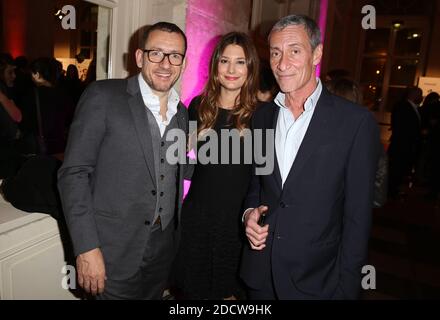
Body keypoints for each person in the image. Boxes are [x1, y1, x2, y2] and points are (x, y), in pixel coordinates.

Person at [240, 15, 380, 299]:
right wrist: (248, 216)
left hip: (318, 280)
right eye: (276, 52)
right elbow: (258, 185)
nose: (282, 63)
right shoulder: (262, 115)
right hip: (261, 275)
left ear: (317, 53)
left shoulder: (355, 122)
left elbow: (357, 218)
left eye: (294, 50)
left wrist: (346, 290)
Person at [57, 22, 190, 300]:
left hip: (162, 249)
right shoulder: (103, 96)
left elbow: (171, 169)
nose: (166, 63)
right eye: (157, 53)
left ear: (183, 62)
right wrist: (86, 248)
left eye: (175, 55)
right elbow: (74, 173)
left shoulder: (182, 113)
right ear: (140, 57)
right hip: (110, 250)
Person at [174, 32, 259, 300]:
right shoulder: (198, 106)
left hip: (237, 223)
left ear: (251, 68)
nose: (231, 69)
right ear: (215, 66)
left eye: (240, 62)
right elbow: (177, 158)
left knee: (228, 296)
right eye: (224, 61)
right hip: (197, 217)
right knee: (192, 292)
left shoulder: (263, 114)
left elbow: (268, 175)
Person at [387, 86, 423, 198]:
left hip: (406, 145)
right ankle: (390, 192)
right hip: (401, 145)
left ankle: (394, 190)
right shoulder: (402, 106)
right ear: (413, 94)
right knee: (395, 169)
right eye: (419, 94)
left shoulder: (414, 107)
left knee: (400, 169)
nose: (421, 97)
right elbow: (401, 126)